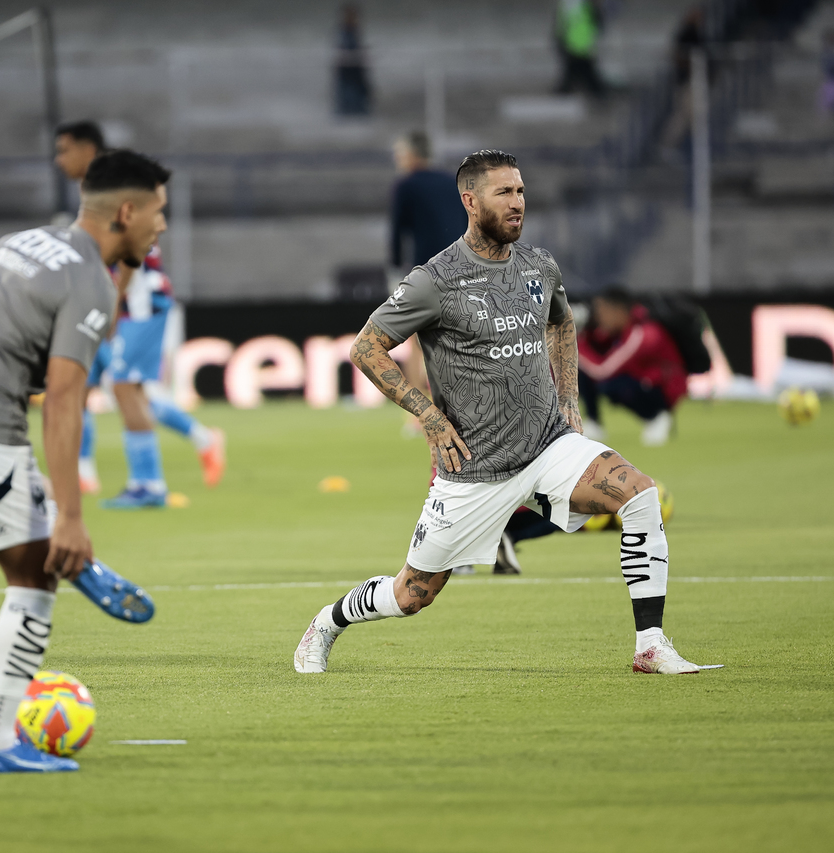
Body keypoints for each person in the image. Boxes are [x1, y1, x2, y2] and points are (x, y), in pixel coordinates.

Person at [293, 149, 717, 677]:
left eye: (520, 191)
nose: (518, 203)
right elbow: (366, 348)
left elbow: (562, 323)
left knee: (641, 493)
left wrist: (568, 398)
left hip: (547, 446)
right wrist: (428, 416)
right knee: (412, 594)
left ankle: (650, 645)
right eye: (504, 193)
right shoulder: (435, 280)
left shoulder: (540, 265)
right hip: (474, 468)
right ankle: (327, 623)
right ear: (470, 201)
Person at [0, 149, 170, 773]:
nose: (161, 228)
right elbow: (66, 400)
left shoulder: (17, 243)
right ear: (126, 211)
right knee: (36, 579)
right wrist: (73, 515)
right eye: (158, 213)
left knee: (6, 521)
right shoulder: (90, 279)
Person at [52, 120, 226, 505]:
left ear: (87, 149)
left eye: (64, 149)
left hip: (139, 301)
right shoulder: (93, 190)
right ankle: (87, 474)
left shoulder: (115, 186)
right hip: (117, 299)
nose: (58, 159)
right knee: (95, 385)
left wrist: (114, 302)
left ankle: (149, 485)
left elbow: (133, 251)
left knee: (123, 386)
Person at [577, 287, 688, 447]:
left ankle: (657, 416)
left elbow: (602, 371)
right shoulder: (624, 328)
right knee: (584, 370)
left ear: (618, 311)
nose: (598, 318)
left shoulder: (642, 333)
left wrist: (571, 343)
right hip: (643, 380)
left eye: (602, 312)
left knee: (609, 385)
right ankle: (593, 422)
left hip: (663, 390)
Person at [389, 131, 469, 273]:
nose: (396, 158)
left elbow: (398, 231)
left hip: (427, 268)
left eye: (400, 153)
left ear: (412, 154)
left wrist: (396, 266)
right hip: (459, 264)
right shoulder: (454, 182)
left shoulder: (407, 185)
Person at [554, 0, 606, 97]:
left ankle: (564, 91)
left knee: (578, 70)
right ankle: (598, 93)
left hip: (576, 42)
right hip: (579, 42)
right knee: (583, 71)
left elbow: (562, 22)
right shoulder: (579, 4)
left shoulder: (572, 4)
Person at [334, 3, 372, 116]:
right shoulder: (342, 33)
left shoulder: (354, 32)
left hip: (356, 76)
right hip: (348, 77)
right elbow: (341, 55)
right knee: (349, 108)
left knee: (358, 108)